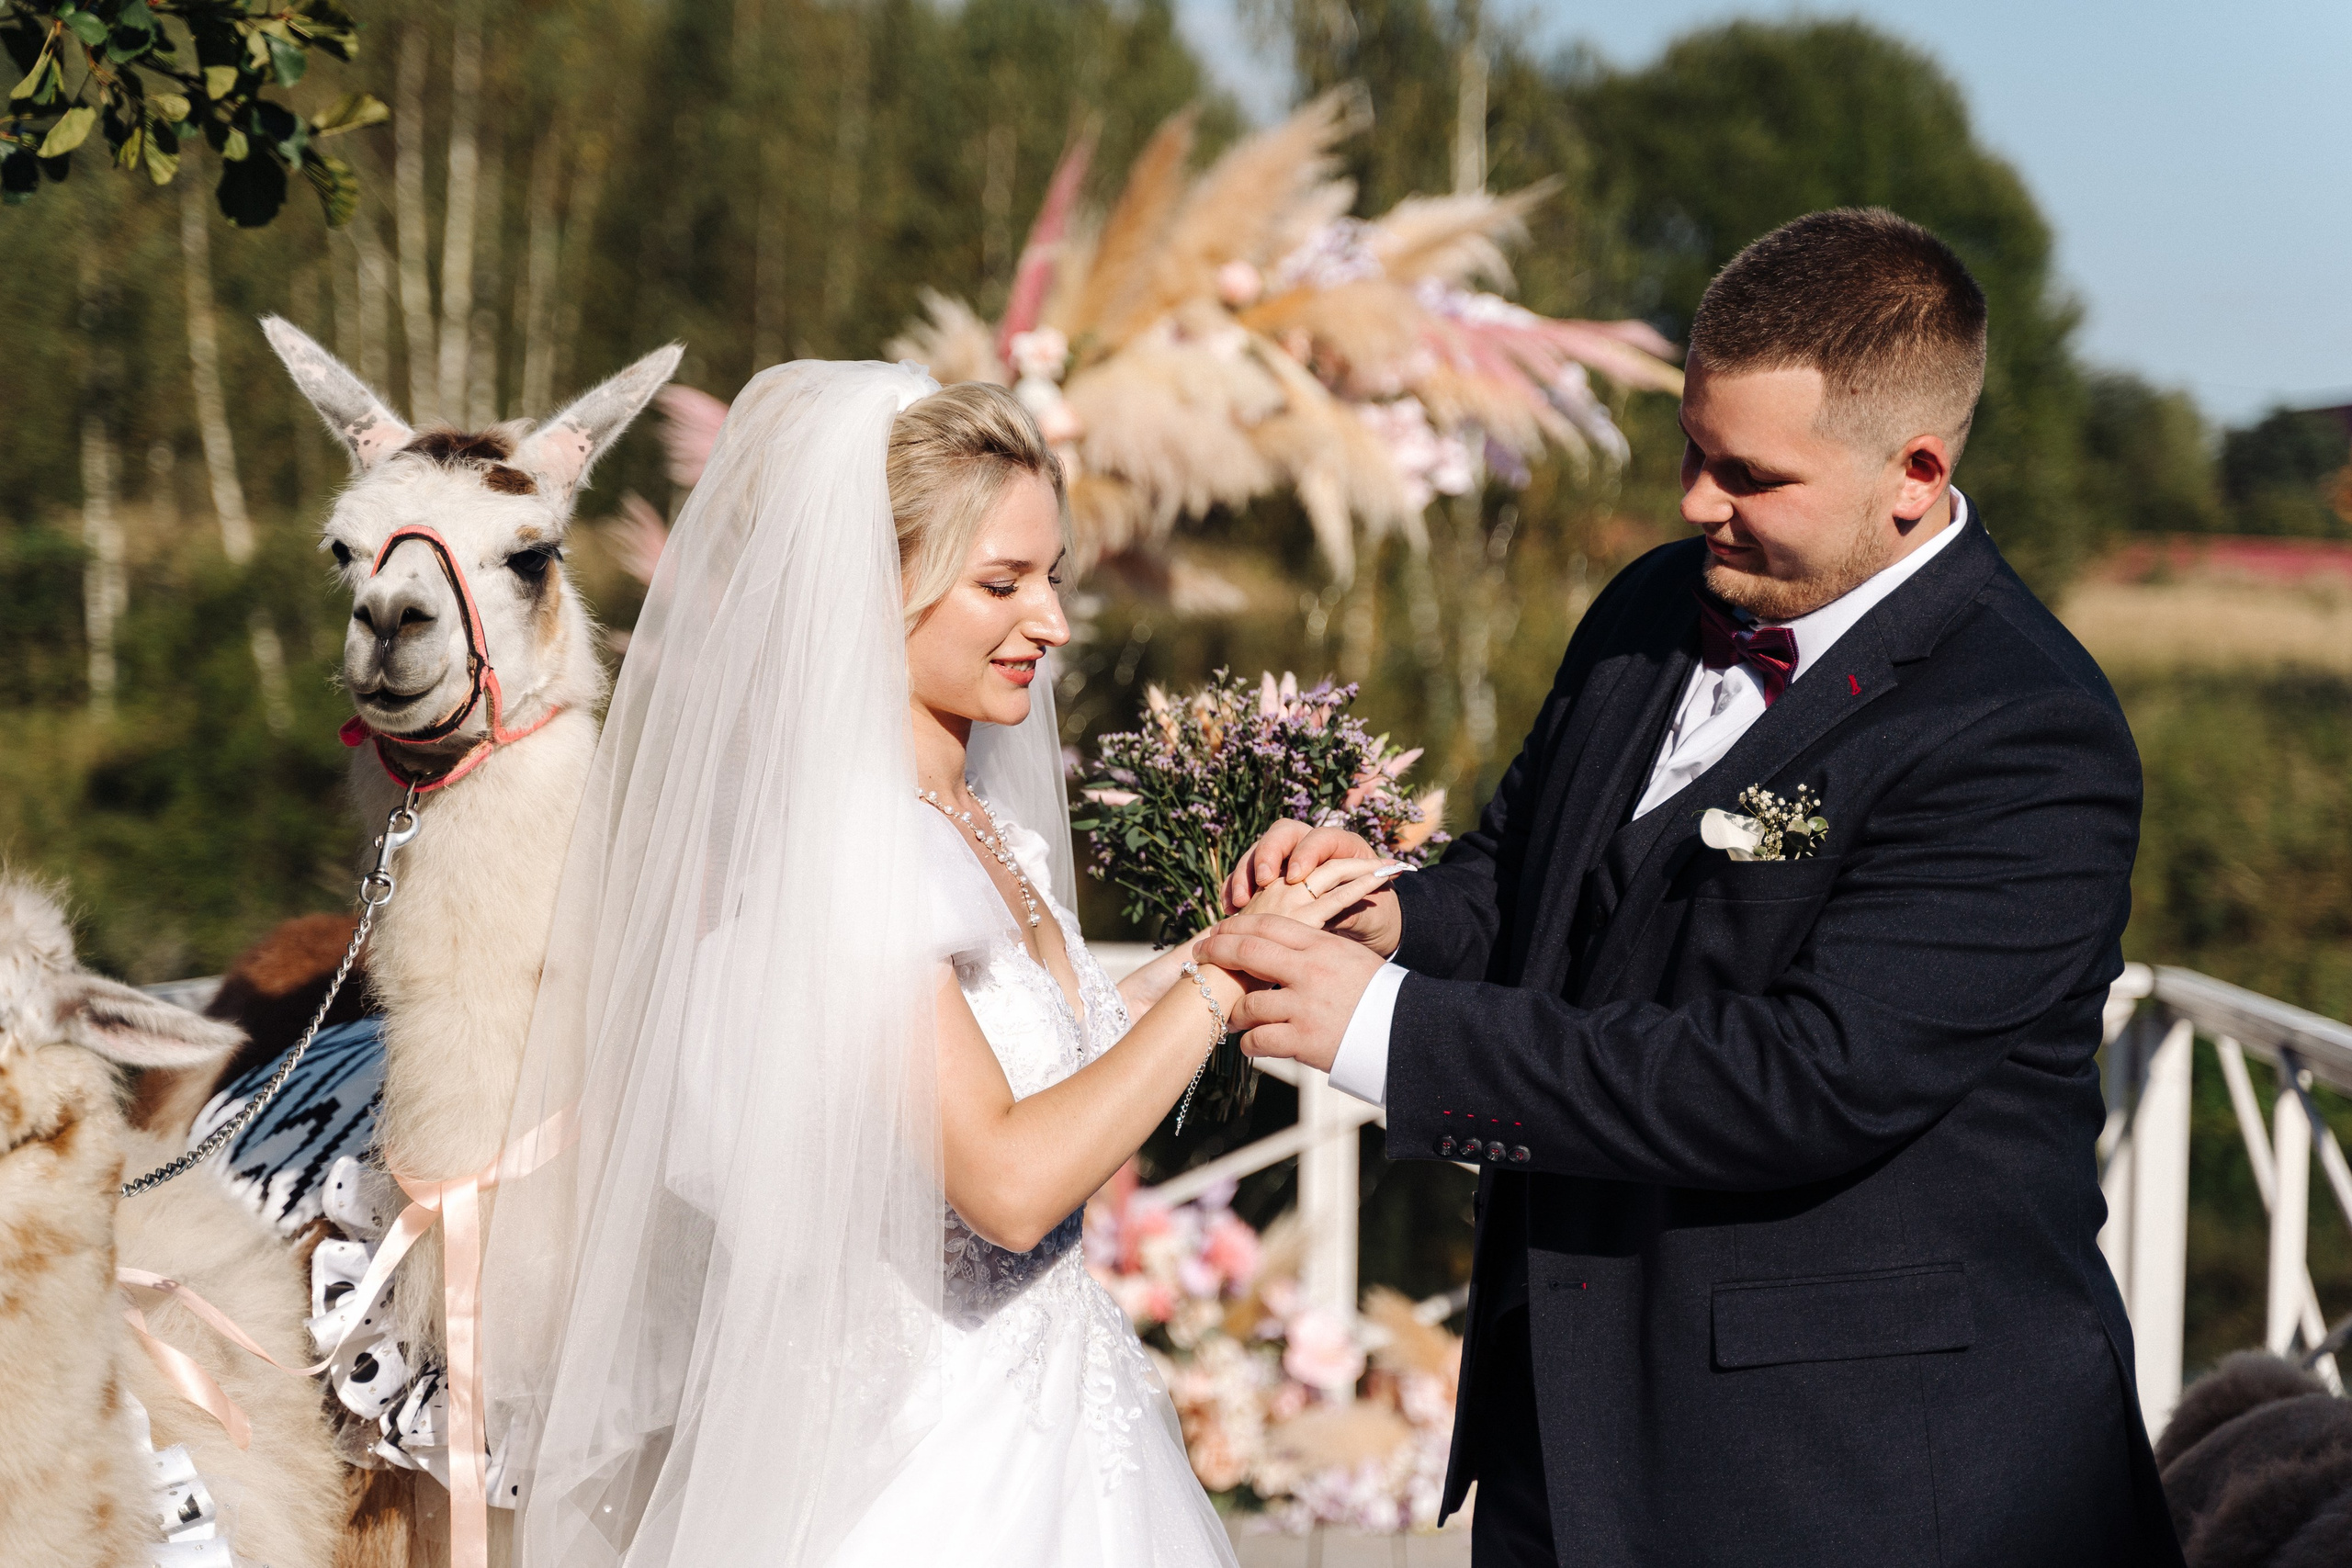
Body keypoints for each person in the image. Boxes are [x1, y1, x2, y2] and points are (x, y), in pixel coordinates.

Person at [1205, 209, 2185, 1566]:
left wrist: (1388, 1029)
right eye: (1689, 447)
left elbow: (1806, 1080)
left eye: (1748, 474)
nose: (1693, 501)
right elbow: (1530, 877)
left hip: (1865, 1481)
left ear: (1914, 472)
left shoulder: (2025, 731)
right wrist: (1393, 914)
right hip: (1572, 1430)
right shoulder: (1654, 606)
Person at [479, 362, 1393, 1565]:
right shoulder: (858, 846)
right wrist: (1218, 995)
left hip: (1063, 1420)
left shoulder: (967, 819)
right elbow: (1008, 1184)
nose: (1054, 623)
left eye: (1053, 577)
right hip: (933, 1472)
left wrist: (1232, 948)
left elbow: (1041, 1046)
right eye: (1001, 583)